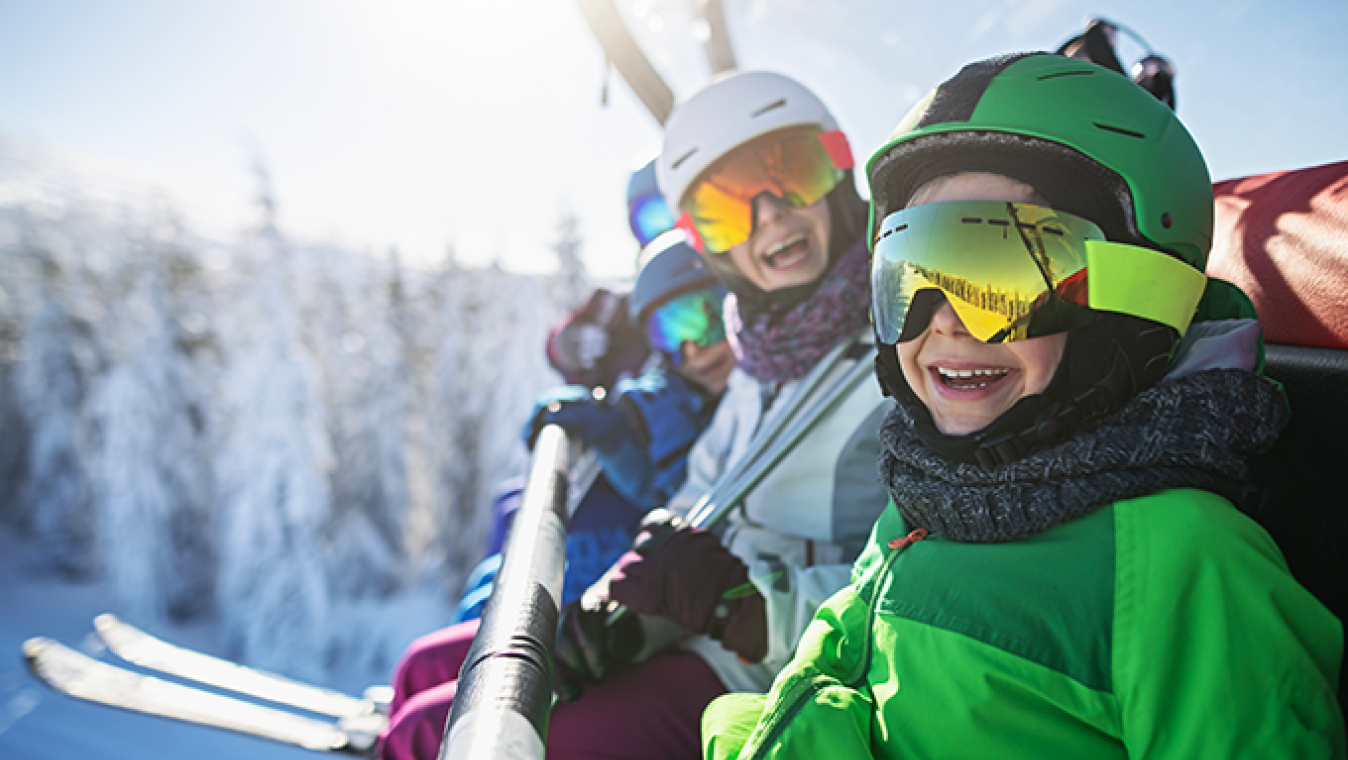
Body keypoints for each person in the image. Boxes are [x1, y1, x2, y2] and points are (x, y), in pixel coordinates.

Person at [701, 52, 1345, 760]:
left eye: (1000, 275)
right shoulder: (927, 491)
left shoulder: (1184, 564)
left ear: (1134, 301)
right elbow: (845, 667)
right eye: (910, 274)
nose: (941, 321)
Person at [544, 70, 892, 759]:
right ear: (705, 242)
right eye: (726, 210)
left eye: (790, 173)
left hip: (788, 665)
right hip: (710, 638)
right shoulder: (760, 356)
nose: (770, 216)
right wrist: (638, 610)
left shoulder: (902, 350)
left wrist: (745, 606)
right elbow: (695, 499)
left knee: (544, 738)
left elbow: (920, 574)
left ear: (838, 168)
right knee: (461, 680)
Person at [377, 232, 734, 760]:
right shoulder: (685, 383)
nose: (695, 346)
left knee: (430, 731)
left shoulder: (752, 390)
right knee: (423, 667)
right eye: (670, 329)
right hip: (658, 598)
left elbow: (680, 487)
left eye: (707, 316)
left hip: (698, 623)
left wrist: (618, 432)